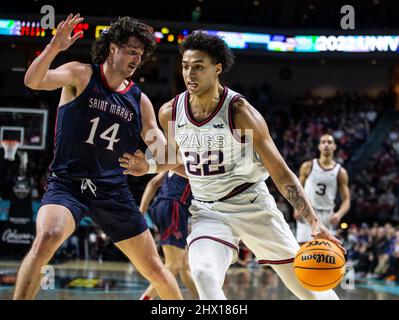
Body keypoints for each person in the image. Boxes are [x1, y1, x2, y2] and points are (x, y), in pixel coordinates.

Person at [119, 31, 345, 300]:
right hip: (207, 210)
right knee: (203, 274)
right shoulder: (170, 111)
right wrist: (148, 167)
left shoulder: (240, 112)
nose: (190, 74)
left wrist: (314, 221)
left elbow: (280, 171)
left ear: (217, 69)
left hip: (252, 205)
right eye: (185, 66)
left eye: (199, 67)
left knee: (306, 285)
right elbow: (179, 158)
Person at [13, 14, 182, 300]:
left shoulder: (139, 101)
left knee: (155, 268)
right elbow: (33, 81)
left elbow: (169, 156)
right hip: (68, 184)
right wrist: (54, 47)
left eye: (140, 55)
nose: (136, 59)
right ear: (112, 47)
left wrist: (148, 166)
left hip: (112, 191)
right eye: (131, 51)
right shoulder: (81, 74)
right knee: (47, 237)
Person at [139, 171, 198, 300]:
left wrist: (141, 212)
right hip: (174, 207)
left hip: (163, 207)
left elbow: (152, 183)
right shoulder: (194, 161)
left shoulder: (174, 162)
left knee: (184, 265)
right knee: (173, 265)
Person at [294, 134, 351, 244]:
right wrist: (296, 208)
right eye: (323, 142)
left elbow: (346, 200)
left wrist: (339, 214)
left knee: (324, 251)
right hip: (307, 211)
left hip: (327, 215)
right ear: (319, 146)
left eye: (329, 142)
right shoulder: (308, 166)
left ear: (334, 146)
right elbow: (296, 189)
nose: (326, 145)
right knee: (303, 248)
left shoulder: (340, 172)